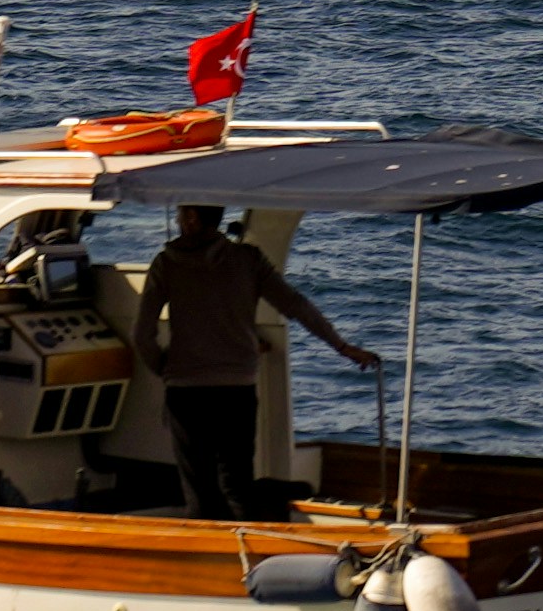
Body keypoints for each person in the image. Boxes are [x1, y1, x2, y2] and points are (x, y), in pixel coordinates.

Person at [132, 204, 380, 521]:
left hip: (187, 392)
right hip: (237, 389)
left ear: (192, 219)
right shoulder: (248, 260)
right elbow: (296, 305)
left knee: (200, 490)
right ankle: (248, 556)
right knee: (237, 486)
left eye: (181, 214)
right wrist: (342, 346)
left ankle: (208, 560)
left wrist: (166, 369)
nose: (179, 220)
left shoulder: (166, 264)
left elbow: (142, 335)